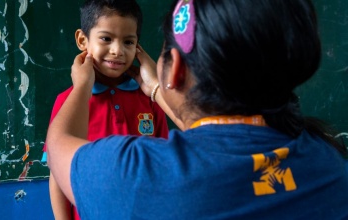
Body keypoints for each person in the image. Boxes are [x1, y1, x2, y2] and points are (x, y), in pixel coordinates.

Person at [46, 0, 348, 219]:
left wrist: (81, 86)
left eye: (129, 41)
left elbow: (60, 146)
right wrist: (155, 89)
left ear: (174, 69)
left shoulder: (138, 174)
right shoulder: (330, 162)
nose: (117, 50)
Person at [44, 0, 169, 219]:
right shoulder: (68, 101)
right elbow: (57, 174)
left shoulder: (151, 99)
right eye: (106, 38)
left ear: (138, 47)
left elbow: (163, 166)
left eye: (128, 42)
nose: (117, 50)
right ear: (83, 40)